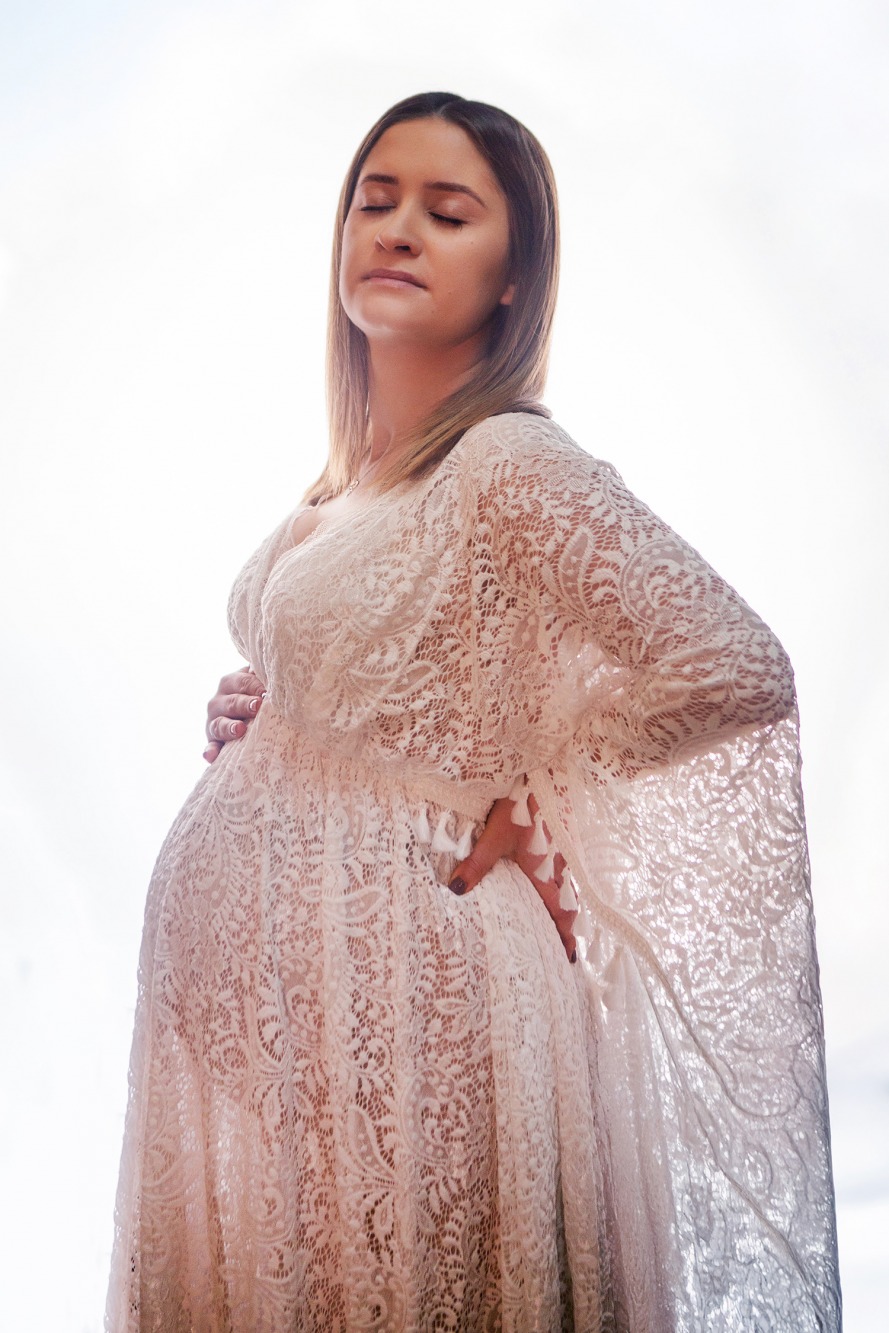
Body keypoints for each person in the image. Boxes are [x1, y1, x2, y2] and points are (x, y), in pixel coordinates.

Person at [107, 92, 841, 1331]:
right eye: (375, 199)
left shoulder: (506, 459)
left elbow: (734, 666)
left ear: (512, 280)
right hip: (285, 1041)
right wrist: (271, 707)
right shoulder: (347, 489)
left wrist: (535, 796)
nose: (397, 228)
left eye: (447, 213)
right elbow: (397, 683)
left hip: (412, 998)